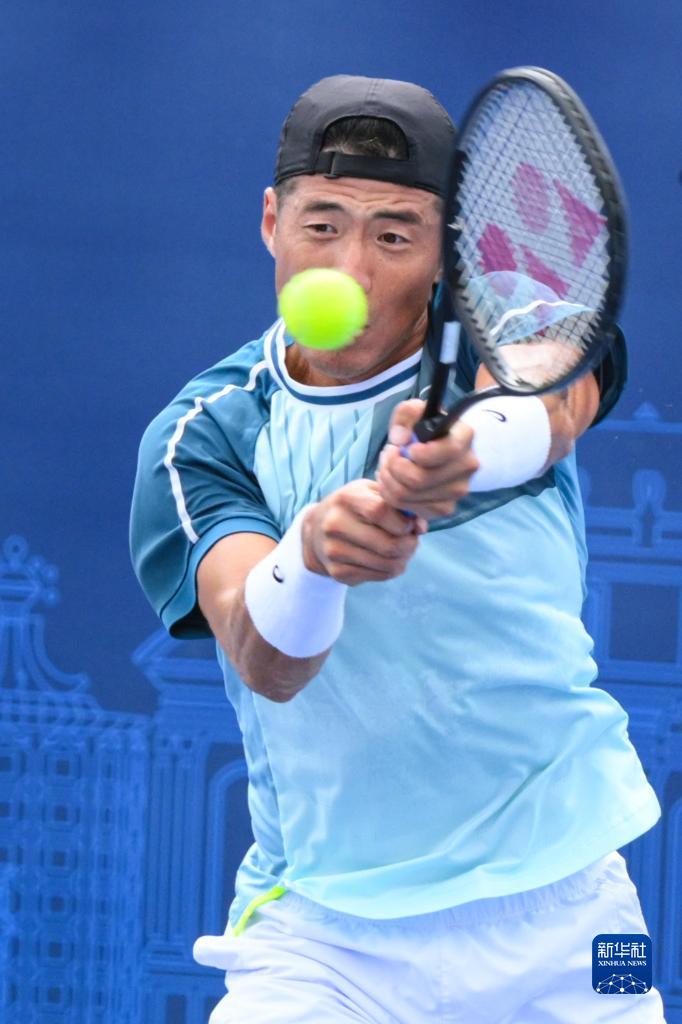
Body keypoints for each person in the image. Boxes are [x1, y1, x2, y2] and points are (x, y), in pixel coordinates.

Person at [130, 75, 666, 1023]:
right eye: (322, 224)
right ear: (271, 221)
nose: (352, 268)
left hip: (575, 917)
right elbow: (264, 659)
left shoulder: (511, 323)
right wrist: (315, 558)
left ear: (445, 250)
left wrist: (463, 452)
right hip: (323, 937)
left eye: (393, 236)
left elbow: (555, 405)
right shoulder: (204, 433)